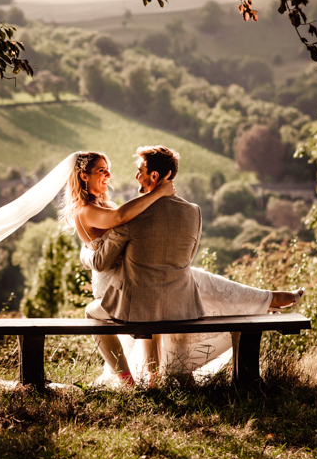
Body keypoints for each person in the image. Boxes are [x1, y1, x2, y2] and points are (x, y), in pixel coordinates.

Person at [69, 147, 303, 387]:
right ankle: (266, 299)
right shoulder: (193, 212)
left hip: (137, 297)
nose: (134, 177)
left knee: (148, 291)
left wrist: (86, 253)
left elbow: (110, 242)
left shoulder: (130, 215)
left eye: (140, 171)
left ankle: (133, 379)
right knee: (194, 279)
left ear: (155, 177)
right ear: (83, 176)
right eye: (103, 170)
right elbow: (187, 257)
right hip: (174, 299)